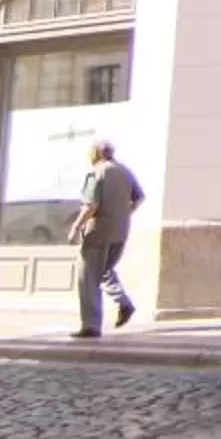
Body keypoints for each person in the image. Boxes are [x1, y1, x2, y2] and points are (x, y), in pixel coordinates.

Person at [69, 139, 144, 338]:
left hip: (98, 230)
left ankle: (91, 325)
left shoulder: (97, 172)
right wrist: (123, 213)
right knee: (104, 270)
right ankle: (123, 302)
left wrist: (76, 227)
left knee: (88, 277)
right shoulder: (124, 171)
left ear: (96, 154)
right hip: (120, 230)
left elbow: (90, 205)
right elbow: (140, 198)